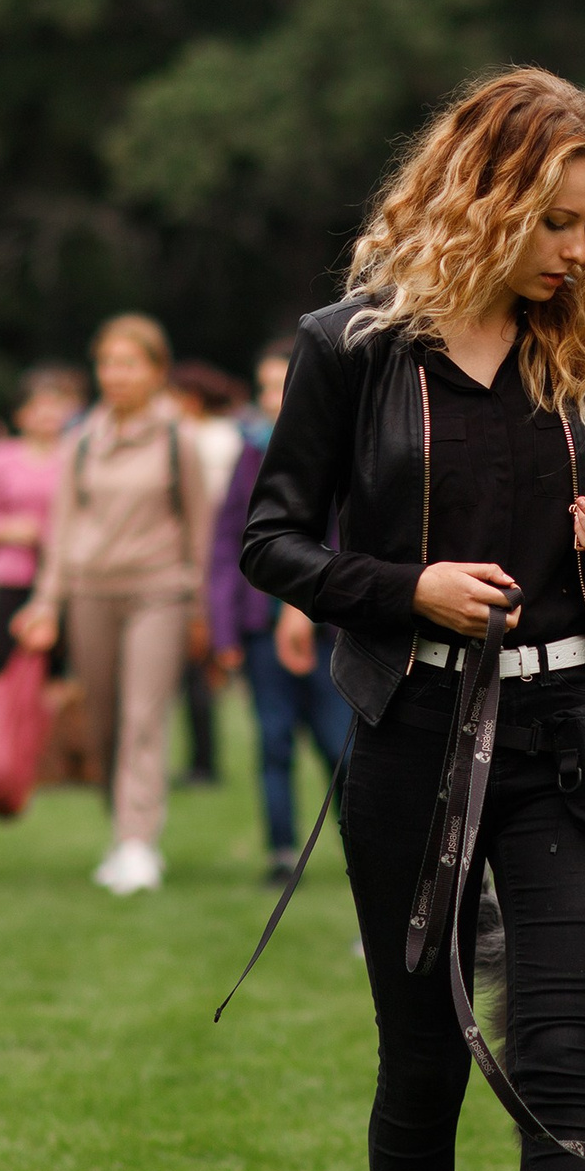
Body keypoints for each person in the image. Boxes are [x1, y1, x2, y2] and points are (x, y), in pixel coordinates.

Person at [241, 67, 585, 1171]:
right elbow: (273, 541)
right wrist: (402, 587)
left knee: (560, 1061)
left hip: (566, 743)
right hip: (413, 738)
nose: (575, 254)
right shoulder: (352, 347)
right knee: (422, 1058)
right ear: (484, 199)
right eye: (555, 222)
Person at [10, 315, 216, 896]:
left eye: (129, 364)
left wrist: (201, 606)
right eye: (107, 364)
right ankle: (121, 830)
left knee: (143, 718)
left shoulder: (180, 440)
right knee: (102, 724)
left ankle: (138, 842)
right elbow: (61, 530)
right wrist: (45, 602)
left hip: (160, 592)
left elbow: (200, 531)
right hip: (89, 593)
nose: (116, 375)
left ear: (156, 371)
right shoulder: (80, 440)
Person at [206, 337, 351, 883]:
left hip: (333, 627)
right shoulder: (250, 454)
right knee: (272, 741)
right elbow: (228, 544)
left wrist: (309, 603)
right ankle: (281, 851)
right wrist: (223, 627)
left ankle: (359, 845)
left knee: (341, 746)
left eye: (282, 383)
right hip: (261, 628)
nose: (273, 396)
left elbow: (344, 534)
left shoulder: (341, 444)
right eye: (265, 386)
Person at [0, 365, 81, 676]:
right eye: (37, 408)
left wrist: (47, 534)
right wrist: (13, 531)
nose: (47, 416)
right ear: (20, 414)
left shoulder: (76, 456)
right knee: (1, 667)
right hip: (8, 574)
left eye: (54, 408)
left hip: (63, 575)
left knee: (56, 672)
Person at [169, 359, 245, 788]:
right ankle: (201, 759)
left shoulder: (205, 440)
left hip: (209, 562)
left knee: (200, 663)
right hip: (212, 560)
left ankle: (204, 762)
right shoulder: (223, 436)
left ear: (190, 400)